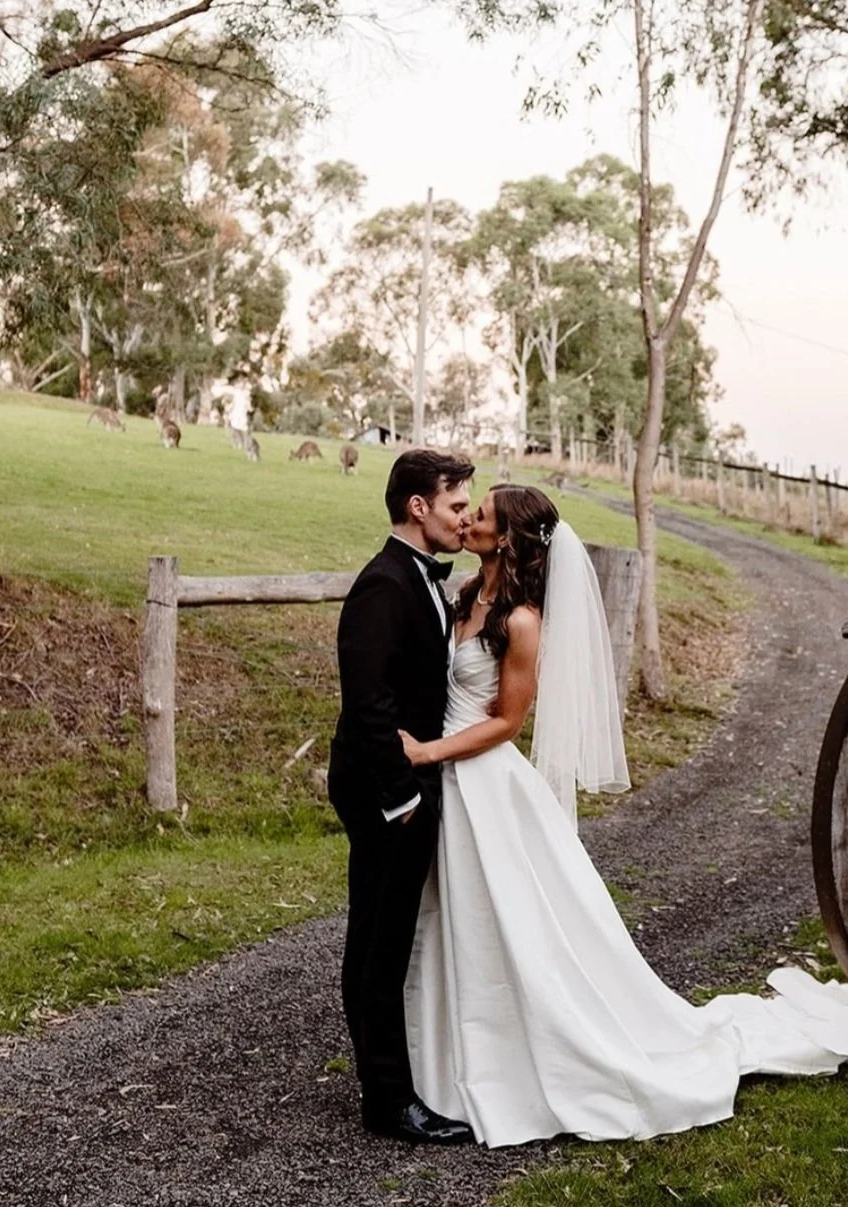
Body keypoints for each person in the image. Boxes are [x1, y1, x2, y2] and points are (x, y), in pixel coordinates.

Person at [400, 484, 848, 1149]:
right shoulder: (463, 597)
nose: (469, 518)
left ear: (506, 538)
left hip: (482, 781)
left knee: (505, 922)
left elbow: (507, 722)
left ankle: (525, 1057)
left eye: (482, 514)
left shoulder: (524, 621)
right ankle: (444, 1060)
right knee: (459, 919)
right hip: (449, 780)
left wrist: (429, 749)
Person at [327, 448, 476, 1145]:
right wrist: (399, 797)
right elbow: (368, 705)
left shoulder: (422, 581)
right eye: (455, 505)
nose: (464, 517)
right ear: (419, 507)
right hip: (388, 790)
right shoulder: (384, 585)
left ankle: (388, 1087)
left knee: (386, 940)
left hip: (410, 784)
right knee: (379, 946)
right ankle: (389, 1102)